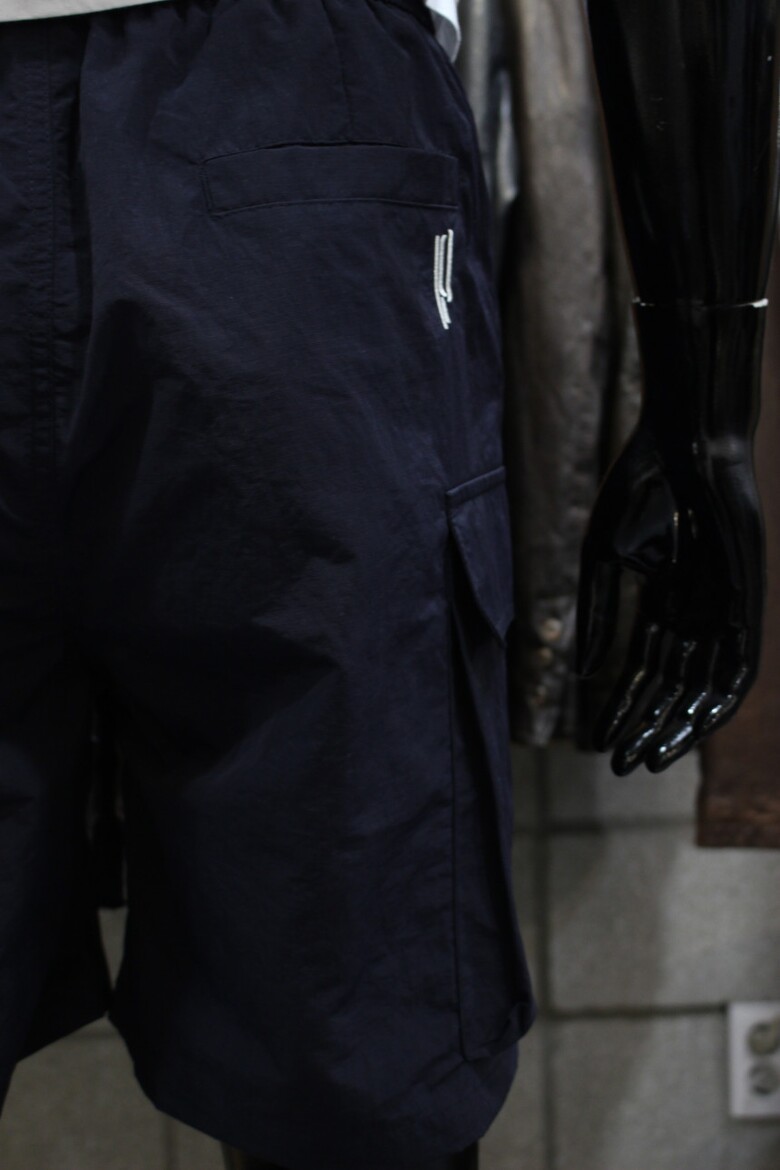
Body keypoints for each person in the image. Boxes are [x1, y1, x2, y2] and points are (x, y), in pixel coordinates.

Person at [0, 2, 776, 1170]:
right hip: (297, 155)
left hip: (296, 135)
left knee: (360, 1068)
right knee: (356, 1057)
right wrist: (705, 395)